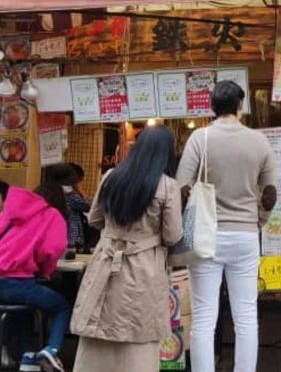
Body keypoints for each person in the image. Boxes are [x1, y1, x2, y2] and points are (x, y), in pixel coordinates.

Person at [177, 80, 278, 372]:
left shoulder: (201, 138)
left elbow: (182, 187)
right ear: (240, 106)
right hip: (246, 235)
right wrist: (256, 222)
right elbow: (270, 194)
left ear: (212, 107)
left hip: (207, 235)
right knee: (246, 315)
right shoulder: (259, 141)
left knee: (204, 317)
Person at [70, 126, 183, 372]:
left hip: (105, 260)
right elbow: (173, 235)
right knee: (137, 328)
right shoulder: (167, 186)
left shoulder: (110, 176)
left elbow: (94, 219)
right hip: (143, 265)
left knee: (98, 323)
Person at [0, 182, 70, 372]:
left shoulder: (9, 213)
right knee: (61, 307)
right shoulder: (51, 215)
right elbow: (51, 250)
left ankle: (28, 355)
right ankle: (51, 349)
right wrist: (46, 271)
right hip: (20, 283)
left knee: (24, 309)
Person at [48, 164, 91, 250]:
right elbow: (86, 206)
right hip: (72, 236)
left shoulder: (51, 191)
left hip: (56, 235)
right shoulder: (70, 195)